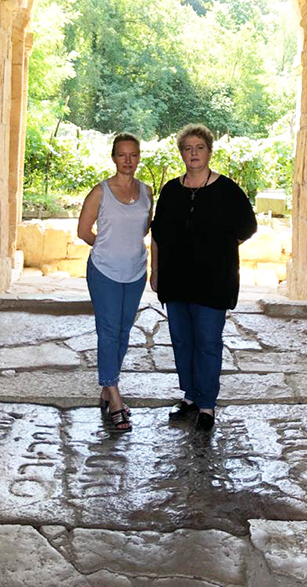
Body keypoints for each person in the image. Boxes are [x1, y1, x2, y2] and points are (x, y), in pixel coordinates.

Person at [150, 124, 257, 431]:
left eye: (199, 148)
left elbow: (247, 228)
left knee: (208, 342)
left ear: (209, 152)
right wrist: (156, 270)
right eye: (188, 148)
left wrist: (220, 250)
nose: (193, 153)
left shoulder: (227, 190)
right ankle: (190, 396)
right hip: (176, 280)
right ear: (181, 153)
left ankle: (207, 404)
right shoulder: (171, 190)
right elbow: (158, 233)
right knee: (182, 341)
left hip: (213, 281)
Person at [78, 133, 152, 431]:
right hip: (104, 271)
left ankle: (107, 389)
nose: (128, 160)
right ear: (113, 157)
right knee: (108, 332)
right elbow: (84, 231)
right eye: (122, 154)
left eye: (133, 154)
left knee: (123, 332)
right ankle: (116, 398)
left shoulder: (146, 192)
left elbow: (143, 229)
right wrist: (107, 247)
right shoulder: (100, 192)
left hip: (135, 272)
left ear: (139, 157)